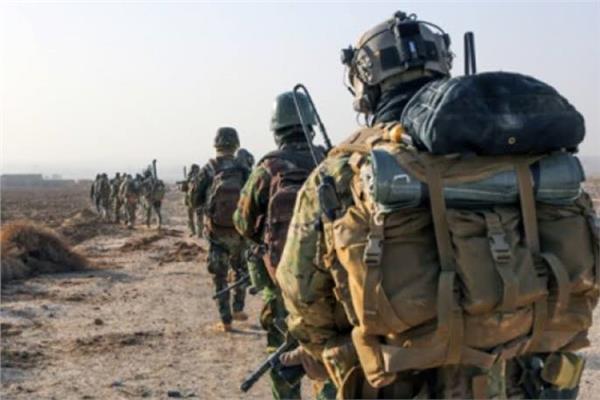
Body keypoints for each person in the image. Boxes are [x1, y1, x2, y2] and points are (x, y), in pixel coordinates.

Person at [275, 10, 598, 399]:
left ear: (365, 81)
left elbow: (303, 299)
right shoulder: (530, 157)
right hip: (532, 382)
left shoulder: (343, 171)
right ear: (443, 64)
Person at [234, 91, 333, 399]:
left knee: (282, 359)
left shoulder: (268, 169)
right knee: (332, 358)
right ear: (311, 125)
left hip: (283, 286)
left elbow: (242, 223)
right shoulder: (332, 161)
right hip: (333, 285)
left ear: (276, 130)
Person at [192, 127, 251, 332]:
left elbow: (194, 200)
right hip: (240, 231)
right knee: (240, 270)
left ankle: (226, 320)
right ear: (236, 145)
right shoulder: (244, 168)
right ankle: (238, 308)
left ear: (216, 144)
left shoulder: (209, 169)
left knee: (220, 276)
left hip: (217, 232)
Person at [182, 163, 202, 236]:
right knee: (199, 217)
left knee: (191, 217)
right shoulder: (201, 177)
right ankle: (199, 233)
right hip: (199, 200)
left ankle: (193, 231)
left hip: (190, 200)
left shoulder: (189, 178)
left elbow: (183, 189)